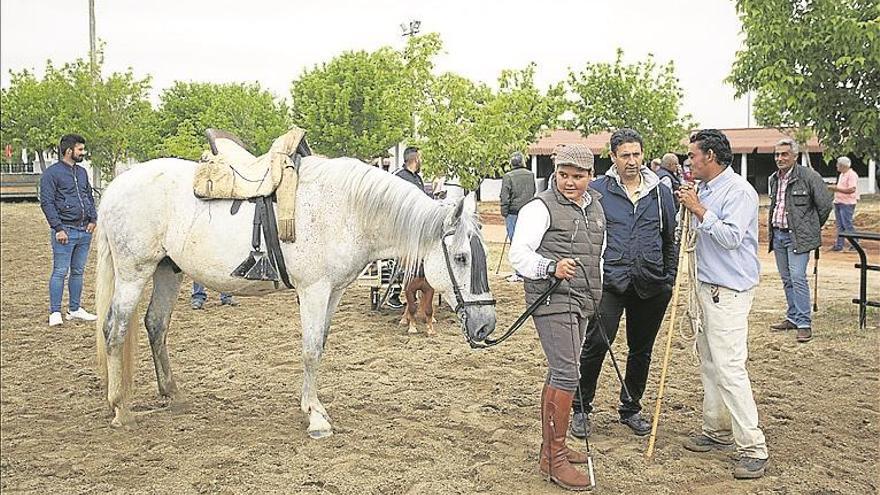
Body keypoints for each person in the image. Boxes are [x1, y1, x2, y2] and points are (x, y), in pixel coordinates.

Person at [570, 129, 678, 439]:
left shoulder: (661, 192)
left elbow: (669, 237)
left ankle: (631, 408)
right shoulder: (598, 190)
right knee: (596, 344)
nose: (631, 161)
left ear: (644, 154)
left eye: (636, 154)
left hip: (651, 282)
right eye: (625, 155)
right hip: (609, 283)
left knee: (641, 350)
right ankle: (581, 406)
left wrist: (667, 279)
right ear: (613, 157)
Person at [509, 144, 605, 491]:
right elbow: (518, 256)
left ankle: (551, 449)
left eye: (577, 176)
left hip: (582, 300)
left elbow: (598, 256)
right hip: (551, 298)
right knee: (567, 373)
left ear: (590, 177)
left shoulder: (595, 208)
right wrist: (549, 267)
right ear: (555, 173)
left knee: (560, 372)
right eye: (563, 175)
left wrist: (597, 293)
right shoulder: (539, 207)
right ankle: (556, 459)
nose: (569, 182)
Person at [676, 129, 769, 480]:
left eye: (693, 155)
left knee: (730, 368)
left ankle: (754, 447)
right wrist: (693, 206)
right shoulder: (705, 189)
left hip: (728, 291)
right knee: (710, 364)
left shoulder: (739, 192)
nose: (689, 161)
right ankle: (716, 430)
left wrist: (699, 210)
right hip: (705, 287)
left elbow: (731, 237)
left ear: (710, 156)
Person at [767, 138, 833, 343]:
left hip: (798, 237)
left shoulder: (809, 176)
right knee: (787, 279)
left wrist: (810, 228)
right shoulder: (773, 178)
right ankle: (793, 317)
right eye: (777, 154)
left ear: (795, 156)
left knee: (797, 278)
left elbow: (825, 205)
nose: (780, 158)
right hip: (778, 234)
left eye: (784, 154)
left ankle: (804, 323)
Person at [39, 134, 99, 327]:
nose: (83, 153)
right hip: (65, 231)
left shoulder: (82, 172)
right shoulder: (51, 174)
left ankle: (75, 309)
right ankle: (55, 311)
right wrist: (58, 228)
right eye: (80, 149)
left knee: (78, 272)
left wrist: (93, 218)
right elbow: (47, 202)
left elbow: (88, 196)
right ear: (69, 151)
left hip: (84, 231)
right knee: (60, 271)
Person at [387, 146, 430, 309]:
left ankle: (419, 291)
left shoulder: (417, 178)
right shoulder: (398, 176)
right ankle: (394, 294)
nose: (421, 161)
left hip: (417, 226)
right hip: (400, 227)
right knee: (400, 260)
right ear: (415, 159)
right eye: (420, 158)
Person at [499, 151, 536, 282]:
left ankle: (519, 272)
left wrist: (504, 212)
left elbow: (505, 196)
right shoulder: (531, 175)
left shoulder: (508, 176)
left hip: (513, 213)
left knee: (515, 242)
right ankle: (527, 271)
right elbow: (533, 191)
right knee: (528, 240)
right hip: (528, 212)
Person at [827, 156, 860, 251]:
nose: (837, 166)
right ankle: (839, 245)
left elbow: (851, 189)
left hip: (847, 203)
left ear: (843, 166)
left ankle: (855, 244)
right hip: (839, 202)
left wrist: (836, 188)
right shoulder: (842, 174)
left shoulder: (852, 175)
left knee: (847, 225)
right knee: (840, 225)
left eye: (838, 165)